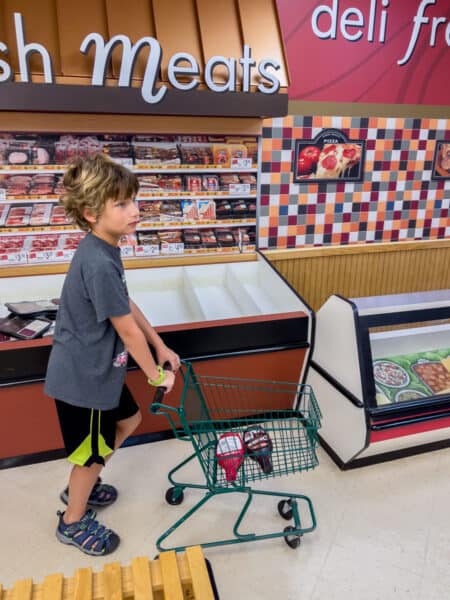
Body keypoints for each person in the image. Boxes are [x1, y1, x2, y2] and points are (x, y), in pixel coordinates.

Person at [45, 153, 180, 556]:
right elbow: (123, 328)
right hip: (85, 379)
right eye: (122, 204)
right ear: (90, 213)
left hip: (102, 371)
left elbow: (125, 305)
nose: (135, 211)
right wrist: (156, 374)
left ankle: (83, 482)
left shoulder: (105, 249)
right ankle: (72, 520)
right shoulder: (97, 261)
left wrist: (159, 344)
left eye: (133, 201)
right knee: (90, 454)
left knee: (130, 419)